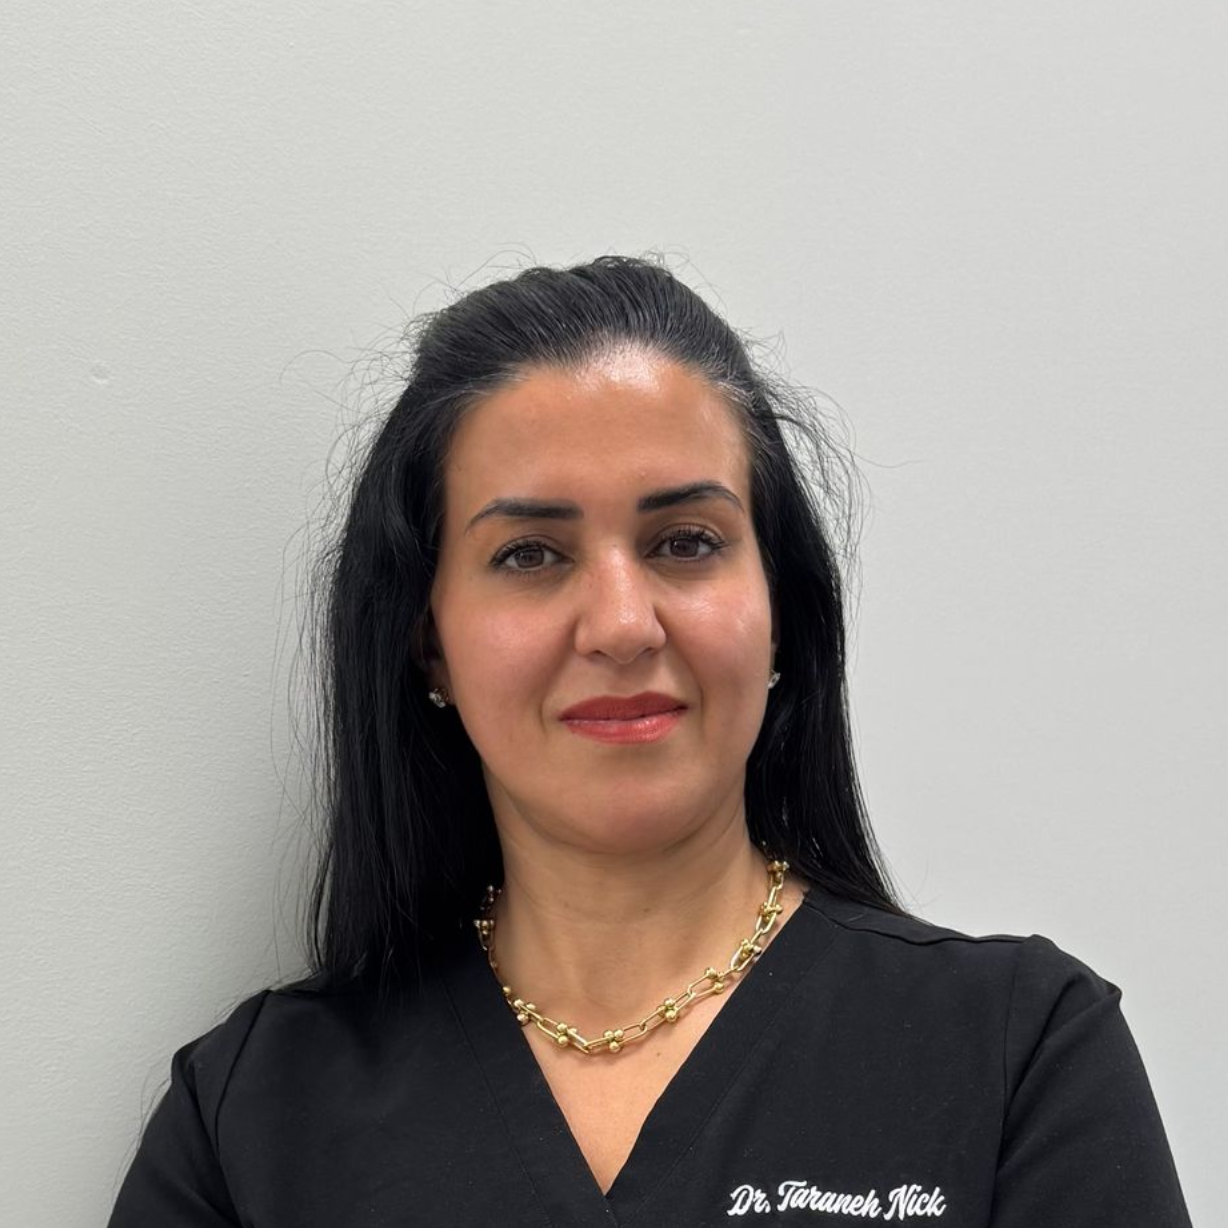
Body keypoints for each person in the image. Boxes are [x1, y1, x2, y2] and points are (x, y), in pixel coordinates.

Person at [108, 256, 1190, 1226]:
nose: (623, 625)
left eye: (685, 542)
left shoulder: (1015, 1055)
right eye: (530, 555)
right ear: (427, 643)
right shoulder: (252, 1117)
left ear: (781, 613)